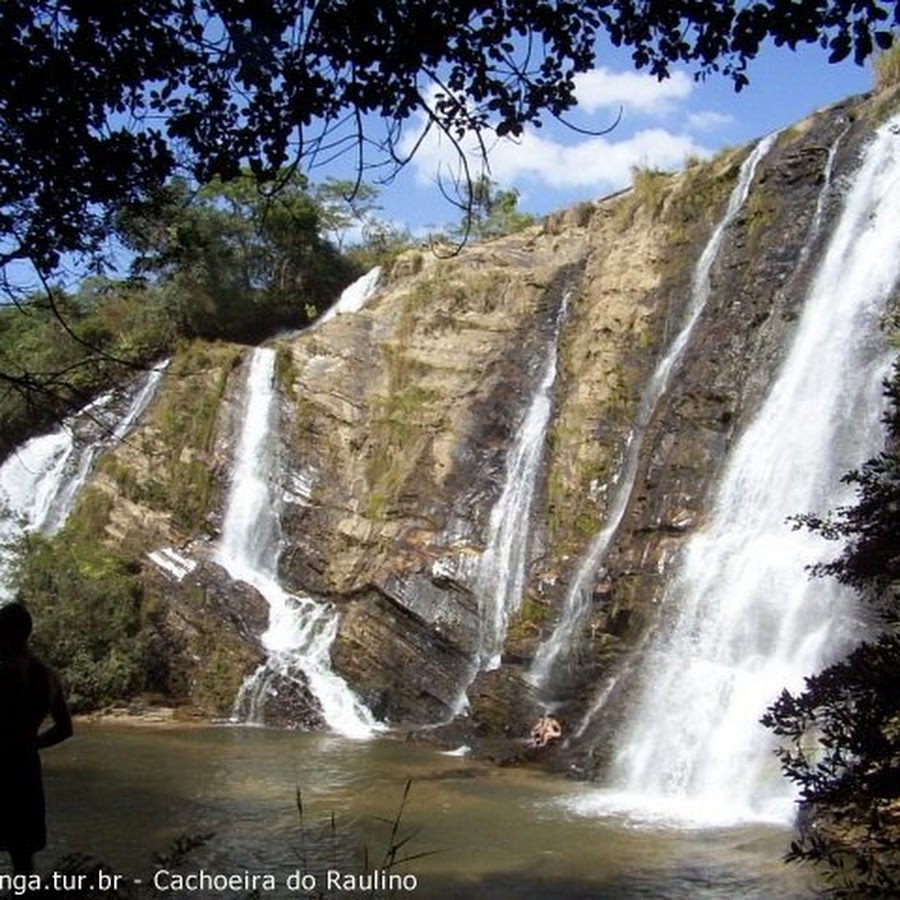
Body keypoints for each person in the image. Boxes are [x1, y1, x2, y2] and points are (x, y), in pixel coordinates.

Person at [0, 601, 73, 875]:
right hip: (25, 767)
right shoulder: (47, 674)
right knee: (23, 855)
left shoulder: (5, 673)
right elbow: (65, 729)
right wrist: (32, 744)